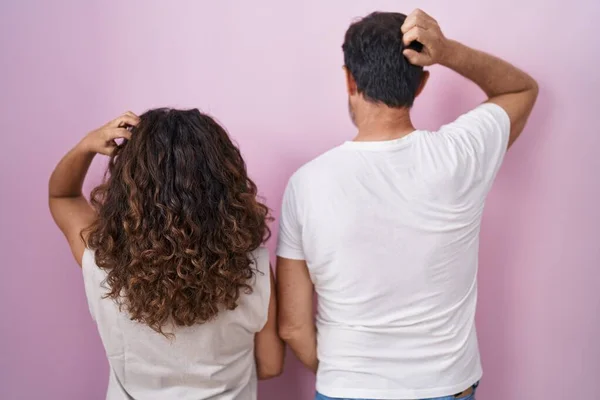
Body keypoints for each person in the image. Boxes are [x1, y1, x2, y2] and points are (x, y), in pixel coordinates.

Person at [276, 9, 538, 400]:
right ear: (422, 85)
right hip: (446, 385)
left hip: (347, 387)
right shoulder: (460, 156)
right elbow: (521, 90)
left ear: (349, 79)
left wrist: (350, 376)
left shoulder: (305, 184)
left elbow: (293, 327)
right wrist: (446, 51)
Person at [49, 108, 285, 399]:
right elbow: (271, 364)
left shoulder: (103, 264)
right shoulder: (255, 268)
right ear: (224, 183)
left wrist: (86, 145)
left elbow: (63, 196)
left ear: (128, 184)